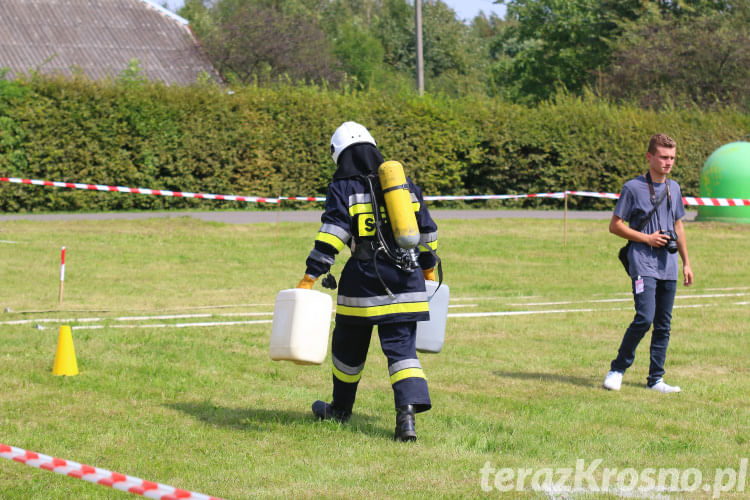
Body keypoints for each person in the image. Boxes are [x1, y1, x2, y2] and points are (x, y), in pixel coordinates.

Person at [296, 121, 439, 441]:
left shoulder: (343, 188)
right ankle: (407, 421)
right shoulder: (404, 185)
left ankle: (340, 409)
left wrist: (311, 275)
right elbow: (427, 232)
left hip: (362, 282)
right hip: (407, 280)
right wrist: (427, 269)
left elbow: (333, 234)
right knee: (403, 353)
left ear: (340, 155)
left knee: (347, 347)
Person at [604, 133, 694, 393]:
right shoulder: (632, 188)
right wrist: (647, 238)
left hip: (669, 265)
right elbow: (615, 226)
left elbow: (679, 225)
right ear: (650, 157)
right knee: (644, 317)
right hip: (642, 262)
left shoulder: (674, 188)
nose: (668, 162)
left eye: (672, 158)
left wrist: (686, 263)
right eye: (664, 157)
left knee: (664, 323)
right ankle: (617, 368)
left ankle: (656, 379)